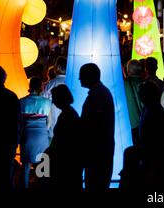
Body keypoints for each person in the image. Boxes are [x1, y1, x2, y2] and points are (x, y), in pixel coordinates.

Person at [79, 63, 115, 191]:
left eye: (81, 76)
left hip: (97, 151)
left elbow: (93, 124)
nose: (79, 79)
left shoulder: (97, 95)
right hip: (100, 149)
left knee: (95, 185)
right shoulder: (101, 93)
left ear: (89, 77)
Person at [45, 84, 82, 191]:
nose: (53, 102)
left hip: (66, 160)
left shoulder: (67, 115)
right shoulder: (70, 113)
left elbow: (63, 139)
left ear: (60, 98)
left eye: (55, 98)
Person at [19, 77, 51, 189]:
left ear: (30, 86)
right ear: (41, 87)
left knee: (26, 168)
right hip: (42, 137)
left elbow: (19, 123)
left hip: (27, 136)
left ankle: (25, 187)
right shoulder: (47, 102)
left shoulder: (21, 102)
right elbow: (49, 123)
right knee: (43, 169)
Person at [42, 56, 67, 139]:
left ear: (56, 67)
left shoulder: (50, 84)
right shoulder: (71, 82)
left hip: (52, 126)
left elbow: (44, 104)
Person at [124, 60, 144, 145]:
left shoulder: (124, 84)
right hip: (145, 122)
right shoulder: (146, 83)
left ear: (128, 70)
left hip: (131, 123)